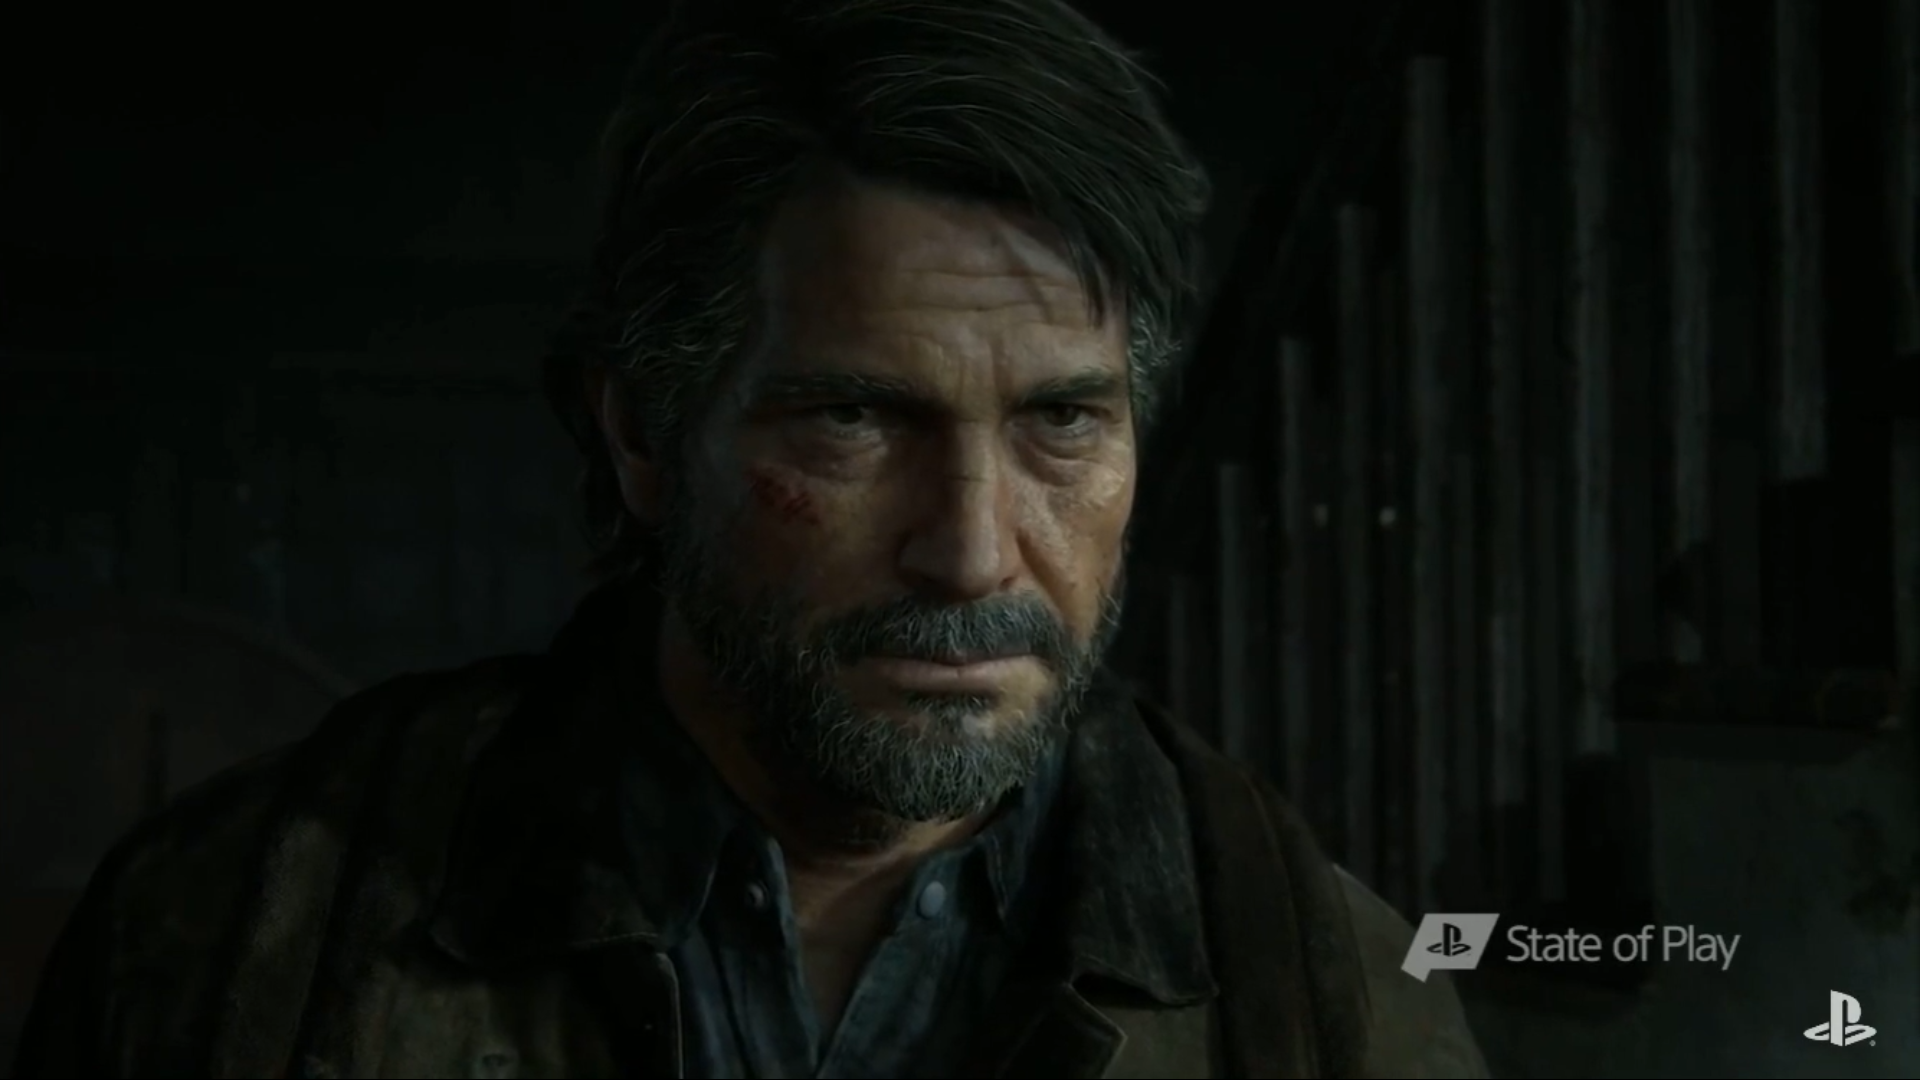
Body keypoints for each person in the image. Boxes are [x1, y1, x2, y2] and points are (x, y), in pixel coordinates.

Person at [12, 0, 1488, 1076]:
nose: (973, 553)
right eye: (855, 419)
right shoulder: (232, 936)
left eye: (1061, 422)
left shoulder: (1337, 995)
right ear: (644, 437)